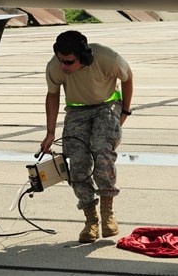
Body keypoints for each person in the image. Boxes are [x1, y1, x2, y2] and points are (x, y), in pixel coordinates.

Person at [40, 30, 133, 243]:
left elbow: (128, 77)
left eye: (69, 62)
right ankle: (91, 219)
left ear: (84, 56)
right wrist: (50, 132)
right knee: (77, 163)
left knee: (101, 150)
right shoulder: (55, 67)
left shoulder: (107, 58)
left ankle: (108, 212)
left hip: (107, 106)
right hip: (76, 111)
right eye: (60, 60)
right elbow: (52, 95)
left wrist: (125, 111)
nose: (63, 66)